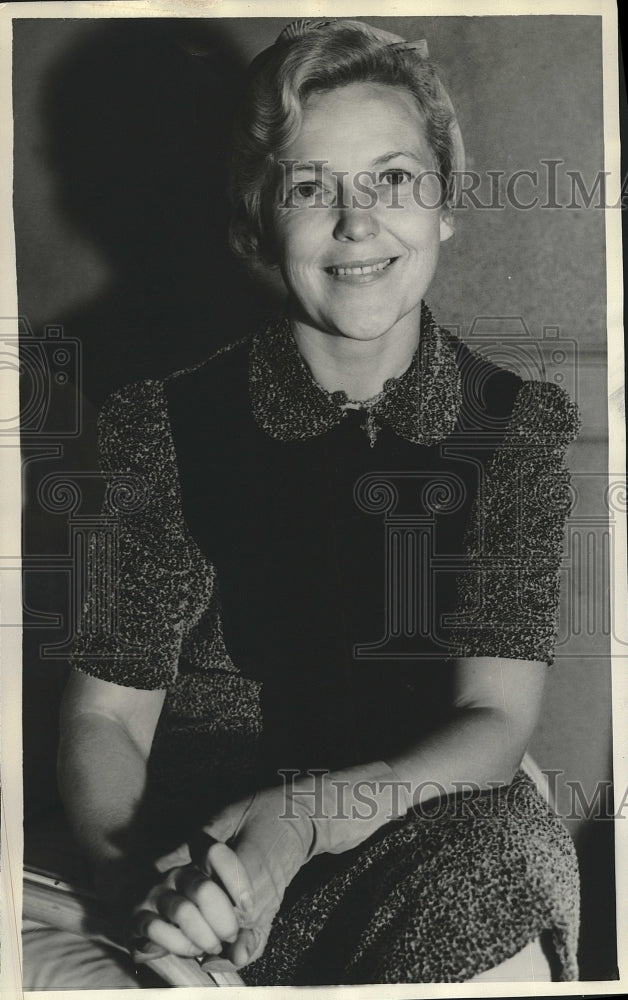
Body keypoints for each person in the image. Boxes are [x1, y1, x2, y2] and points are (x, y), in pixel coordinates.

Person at [31, 18, 581, 986]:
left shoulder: (515, 428)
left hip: (419, 828)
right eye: (310, 187)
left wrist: (308, 818)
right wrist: (160, 872)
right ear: (256, 224)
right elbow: (104, 722)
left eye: (393, 178)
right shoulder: (157, 425)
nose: (357, 221)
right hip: (218, 848)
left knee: (506, 854)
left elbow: (494, 719)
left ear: (446, 205)